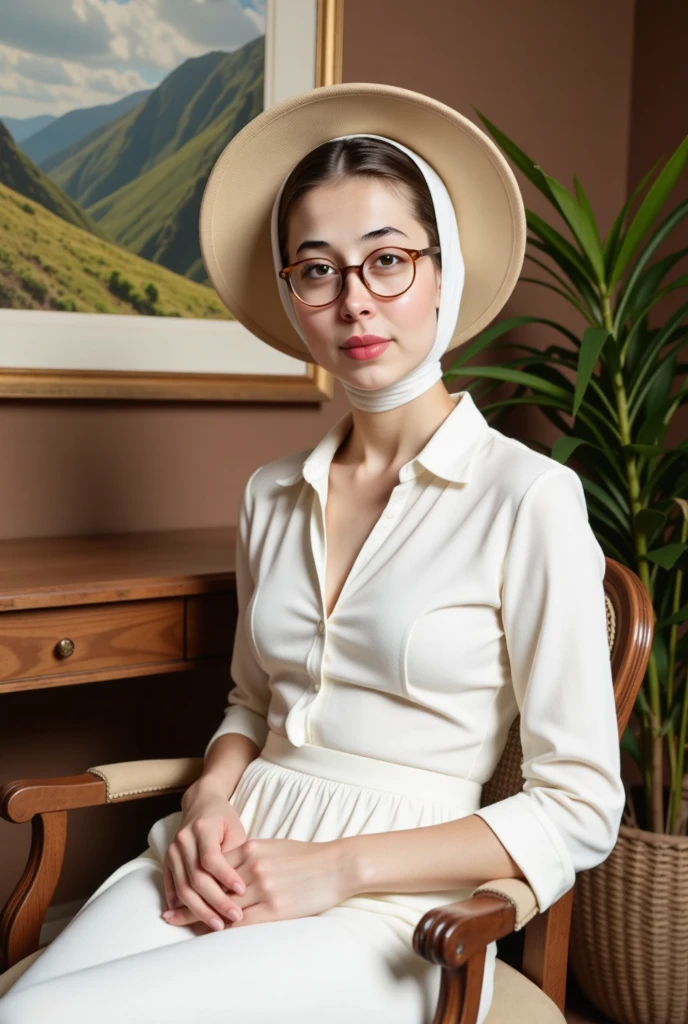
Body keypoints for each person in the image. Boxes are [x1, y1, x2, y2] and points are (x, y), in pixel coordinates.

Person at [0, 82, 625, 1024]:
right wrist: (210, 801)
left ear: (442, 267)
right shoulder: (269, 493)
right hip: (227, 848)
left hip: (402, 907)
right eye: (318, 270)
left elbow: (580, 807)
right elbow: (252, 702)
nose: (355, 301)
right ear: (292, 294)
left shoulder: (529, 498)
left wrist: (337, 869)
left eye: (388, 261)